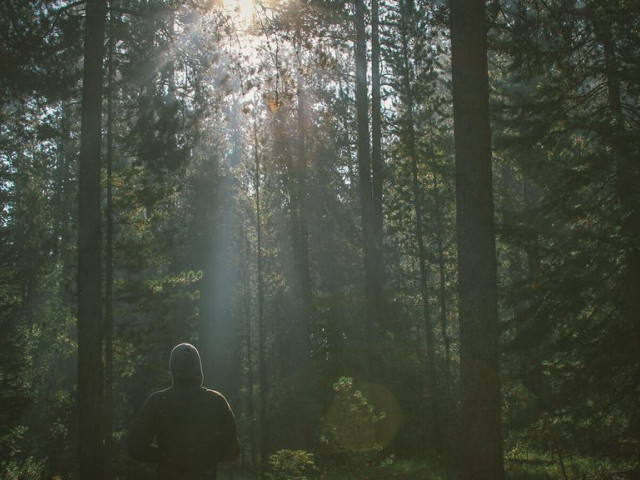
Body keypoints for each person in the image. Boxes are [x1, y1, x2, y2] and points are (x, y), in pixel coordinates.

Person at [128, 342, 240, 480]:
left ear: (173, 369)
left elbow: (135, 446)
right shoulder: (216, 401)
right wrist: (205, 457)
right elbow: (232, 450)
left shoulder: (157, 401)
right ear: (198, 369)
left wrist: (165, 456)